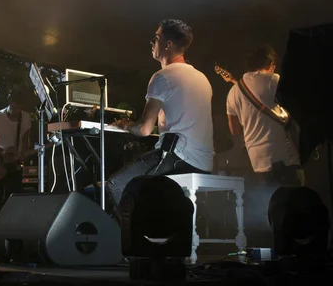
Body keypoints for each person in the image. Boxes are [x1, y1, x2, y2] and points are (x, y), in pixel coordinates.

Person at [106, 19, 214, 209]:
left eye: (156, 38)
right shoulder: (201, 77)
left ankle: (133, 237)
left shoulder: (163, 76)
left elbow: (144, 129)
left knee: (116, 185)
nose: (151, 42)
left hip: (179, 157)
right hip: (204, 160)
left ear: (168, 44)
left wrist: (123, 124)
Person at [225, 44, 301, 186]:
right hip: (285, 158)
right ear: (271, 64)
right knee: (296, 201)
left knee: (269, 202)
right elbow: (298, 109)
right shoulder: (274, 81)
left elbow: (234, 131)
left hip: (258, 162)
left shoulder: (233, 92)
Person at [0, 92, 32, 222]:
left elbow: (25, 140)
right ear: (9, 103)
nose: (16, 111)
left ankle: (11, 224)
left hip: (15, 164)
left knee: (14, 196)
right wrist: (2, 152)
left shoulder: (26, 117)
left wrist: (23, 155)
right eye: (13, 107)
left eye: (19, 107)